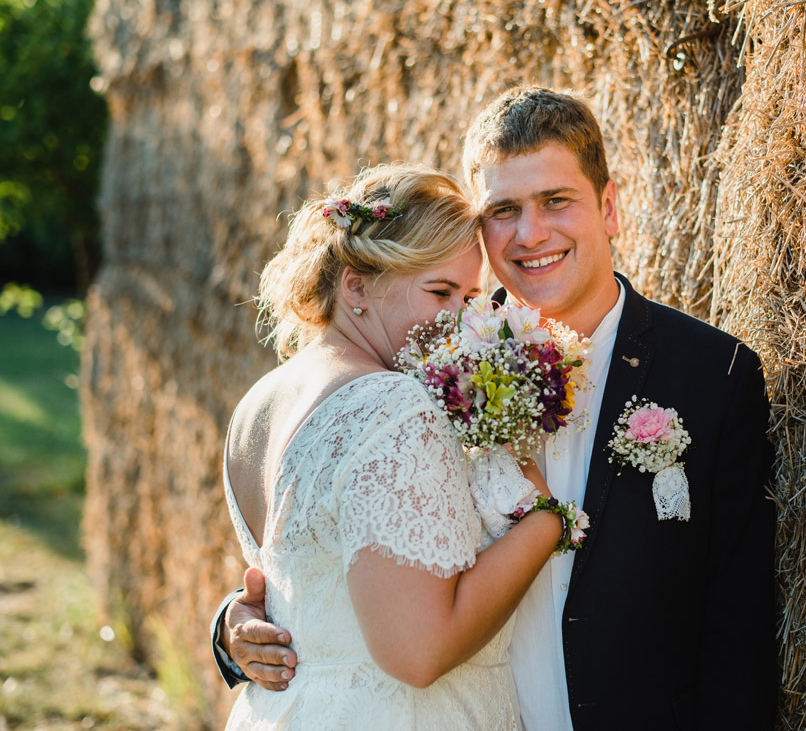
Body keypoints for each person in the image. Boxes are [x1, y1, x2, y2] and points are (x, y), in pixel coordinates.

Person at [214, 88, 777, 729]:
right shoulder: (424, 364)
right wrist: (241, 620)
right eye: (503, 210)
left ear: (610, 206)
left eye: (556, 201)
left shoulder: (711, 376)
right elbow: (335, 535)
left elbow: (738, 624)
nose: (530, 233)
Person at [217, 163, 570, 730]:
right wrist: (548, 522)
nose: (461, 320)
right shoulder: (392, 404)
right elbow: (418, 652)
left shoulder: (256, 405)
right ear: (355, 285)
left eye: (472, 295)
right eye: (440, 292)